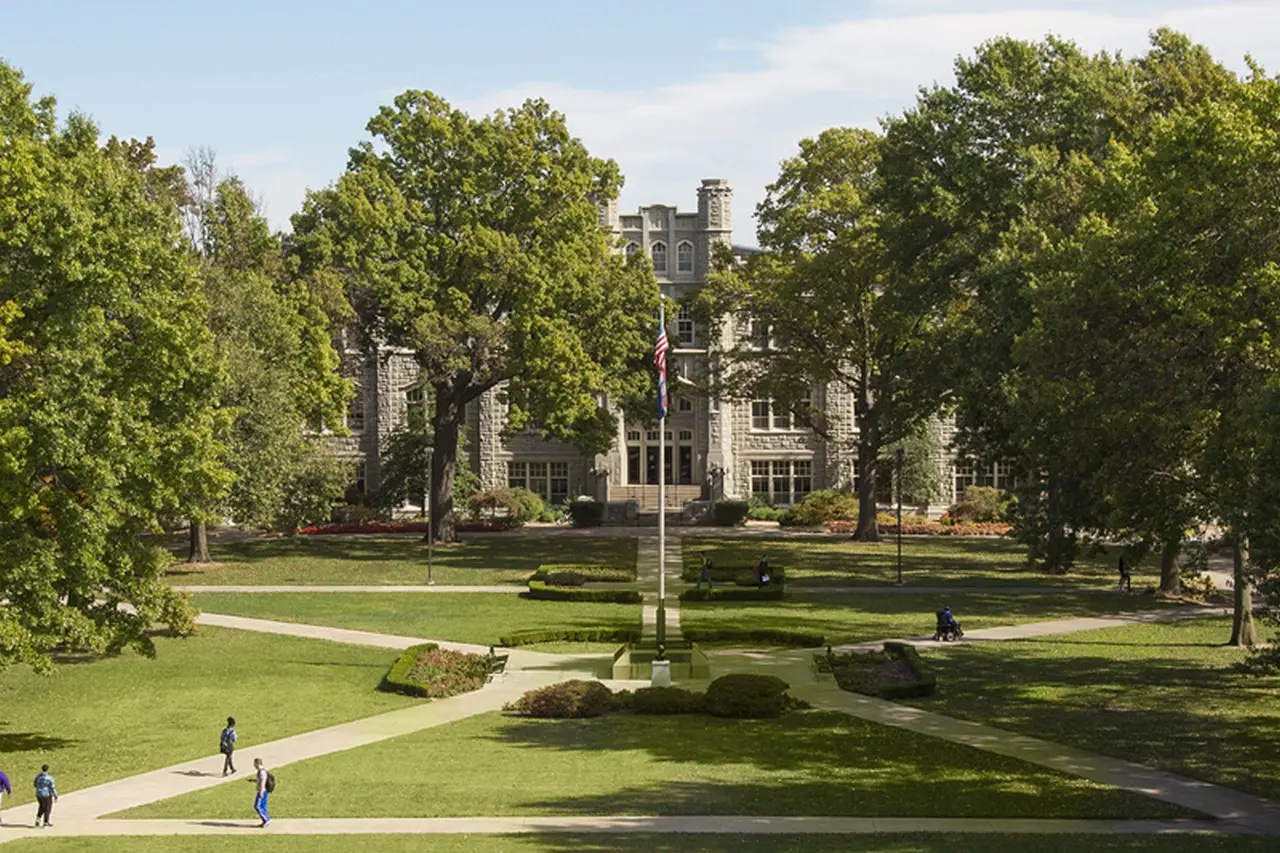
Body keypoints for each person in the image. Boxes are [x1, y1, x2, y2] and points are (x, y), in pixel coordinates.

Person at [252, 758, 270, 827]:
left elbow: (263, 781)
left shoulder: (262, 772)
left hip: (262, 791)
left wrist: (261, 792)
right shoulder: (261, 771)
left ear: (258, 763)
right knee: (263, 806)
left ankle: (267, 819)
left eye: (254, 763)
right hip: (263, 790)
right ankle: (265, 820)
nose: (254, 765)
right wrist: (253, 780)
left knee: (257, 806)